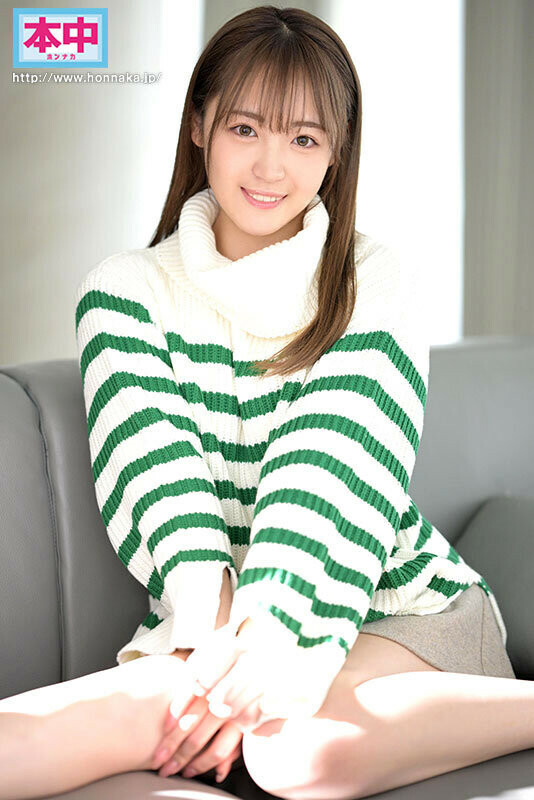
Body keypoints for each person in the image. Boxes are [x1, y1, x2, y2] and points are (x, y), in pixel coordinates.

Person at [1, 5, 531, 800]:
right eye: (245, 128)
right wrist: (219, 652)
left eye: (304, 139)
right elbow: (162, 486)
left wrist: (274, 635)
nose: (270, 167)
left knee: (291, 755)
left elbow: (330, 465)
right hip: (217, 627)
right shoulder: (124, 293)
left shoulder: (370, 278)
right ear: (199, 124)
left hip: (404, 608)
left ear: (337, 152)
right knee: (50, 731)